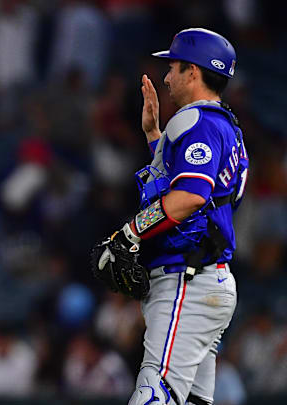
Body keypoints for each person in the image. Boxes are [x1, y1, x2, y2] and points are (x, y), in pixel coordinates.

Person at [95, 28, 248, 405]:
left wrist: (129, 233)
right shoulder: (224, 126)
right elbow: (193, 190)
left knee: (154, 394)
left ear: (193, 72)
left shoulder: (198, 121)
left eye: (174, 66)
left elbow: (191, 197)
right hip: (207, 278)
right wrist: (154, 137)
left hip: (187, 280)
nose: (166, 76)